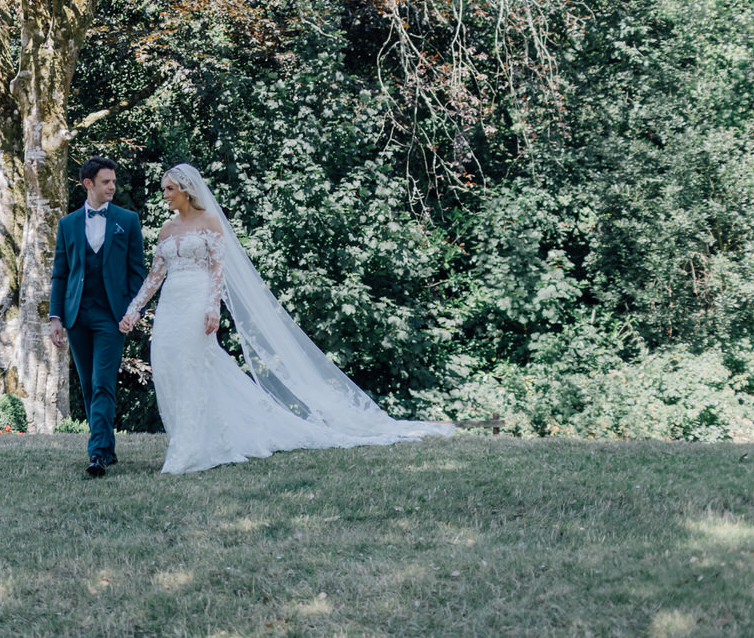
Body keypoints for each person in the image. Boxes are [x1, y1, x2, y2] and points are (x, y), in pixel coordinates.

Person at [119, 163, 453, 474]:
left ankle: (189, 449)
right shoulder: (166, 229)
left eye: (169, 189)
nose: (164, 195)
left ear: (186, 190)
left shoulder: (209, 222)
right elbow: (155, 275)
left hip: (197, 303)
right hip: (171, 307)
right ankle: (187, 437)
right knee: (169, 368)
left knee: (194, 367)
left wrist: (212, 307)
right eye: (164, 189)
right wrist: (134, 309)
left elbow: (219, 270)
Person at [49, 157, 148, 477]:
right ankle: (107, 446)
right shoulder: (68, 224)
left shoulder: (128, 221)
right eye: (106, 182)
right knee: (90, 387)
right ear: (87, 184)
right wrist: (56, 318)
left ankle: (97, 454)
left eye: (114, 182)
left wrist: (134, 311)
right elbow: (60, 275)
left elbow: (137, 274)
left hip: (111, 317)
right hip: (77, 315)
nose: (112, 187)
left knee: (103, 382)